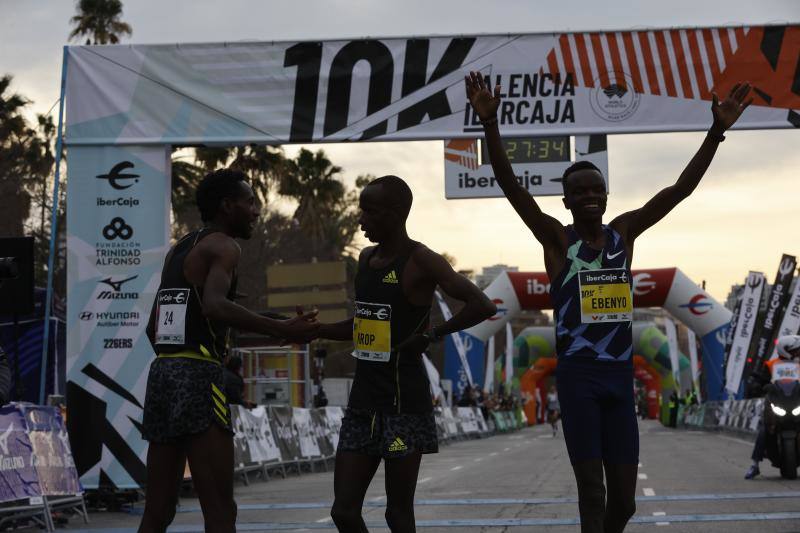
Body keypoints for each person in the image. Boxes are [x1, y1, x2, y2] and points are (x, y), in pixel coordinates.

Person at [466, 71, 751, 533]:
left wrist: (716, 131)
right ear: (566, 200)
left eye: (595, 189)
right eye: (578, 192)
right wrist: (490, 124)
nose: (589, 197)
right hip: (577, 379)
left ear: (606, 195)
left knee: (624, 505)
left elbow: (678, 191)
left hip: (620, 380)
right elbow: (512, 188)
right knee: (592, 497)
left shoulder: (624, 233)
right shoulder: (557, 241)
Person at [139, 169, 318, 533]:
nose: (256, 211)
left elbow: (156, 326)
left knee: (158, 512)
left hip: (162, 376)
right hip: (198, 380)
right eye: (249, 202)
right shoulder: (224, 246)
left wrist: (273, 322)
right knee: (221, 511)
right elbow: (215, 307)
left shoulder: (182, 248)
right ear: (226, 205)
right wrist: (282, 329)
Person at [315, 175, 496, 533]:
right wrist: (315, 329)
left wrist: (432, 335)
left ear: (396, 214)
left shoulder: (422, 260)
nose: (360, 220)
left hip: (403, 408)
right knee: (343, 512)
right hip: (362, 404)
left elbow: (482, 304)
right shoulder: (365, 260)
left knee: (397, 514)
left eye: (369, 211)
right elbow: (362, 324)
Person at [745, 335, 800, 479]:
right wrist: (756, 385)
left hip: (796, 400)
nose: (798, 353)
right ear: (786, 350)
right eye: (795, 350)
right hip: (776, 402)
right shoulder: (771, 364)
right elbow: (761, 379)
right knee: (765, 429)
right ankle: (755, 465)